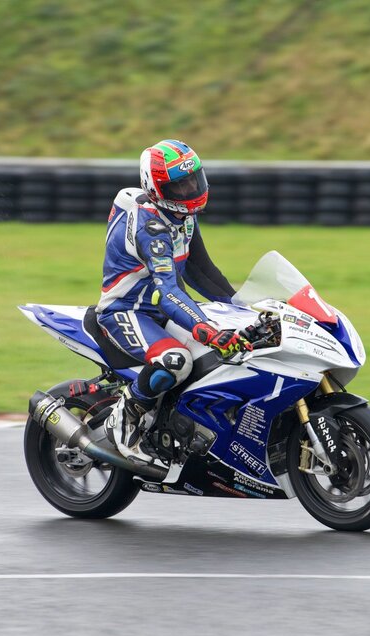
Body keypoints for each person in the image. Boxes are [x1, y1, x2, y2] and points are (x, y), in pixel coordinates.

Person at [96, 139, 250, 463]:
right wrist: (205, 328)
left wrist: (247, 308)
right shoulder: (152, 226)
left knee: (222, 349)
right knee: (175, 360)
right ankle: (123, 421)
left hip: (157, 310)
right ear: (156, 188)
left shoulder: (184, 218)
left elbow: (203, 273)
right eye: (179, 186)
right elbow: (168, 292)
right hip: (125, 310)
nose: (191, 190)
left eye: (194, 180)